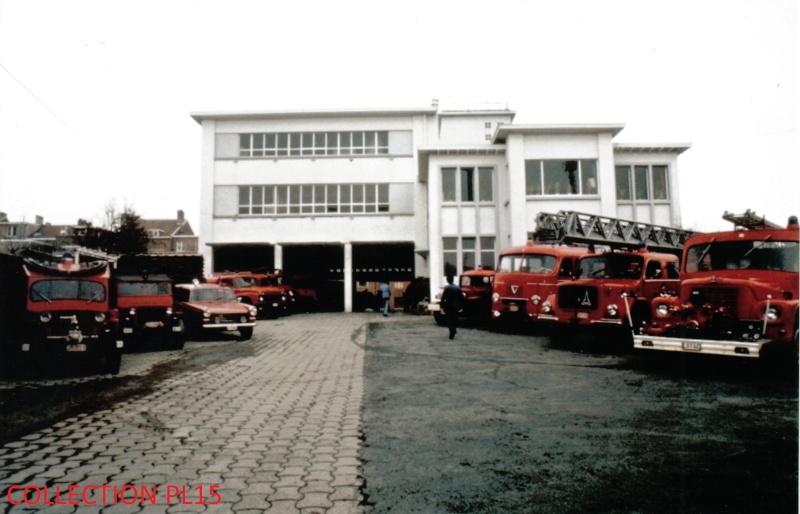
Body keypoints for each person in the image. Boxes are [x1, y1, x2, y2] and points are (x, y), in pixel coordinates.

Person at [440, 275, 464, 339]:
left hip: (449, 306)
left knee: (449, 319)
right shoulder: (458, 288)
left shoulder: (447, 288)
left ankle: (452, 331)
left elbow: (443, 298)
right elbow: (461, 298)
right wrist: (461, 306)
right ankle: (454, 329)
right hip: (456, 306)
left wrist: (441, 306)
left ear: (447, 280)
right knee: (455, 319)